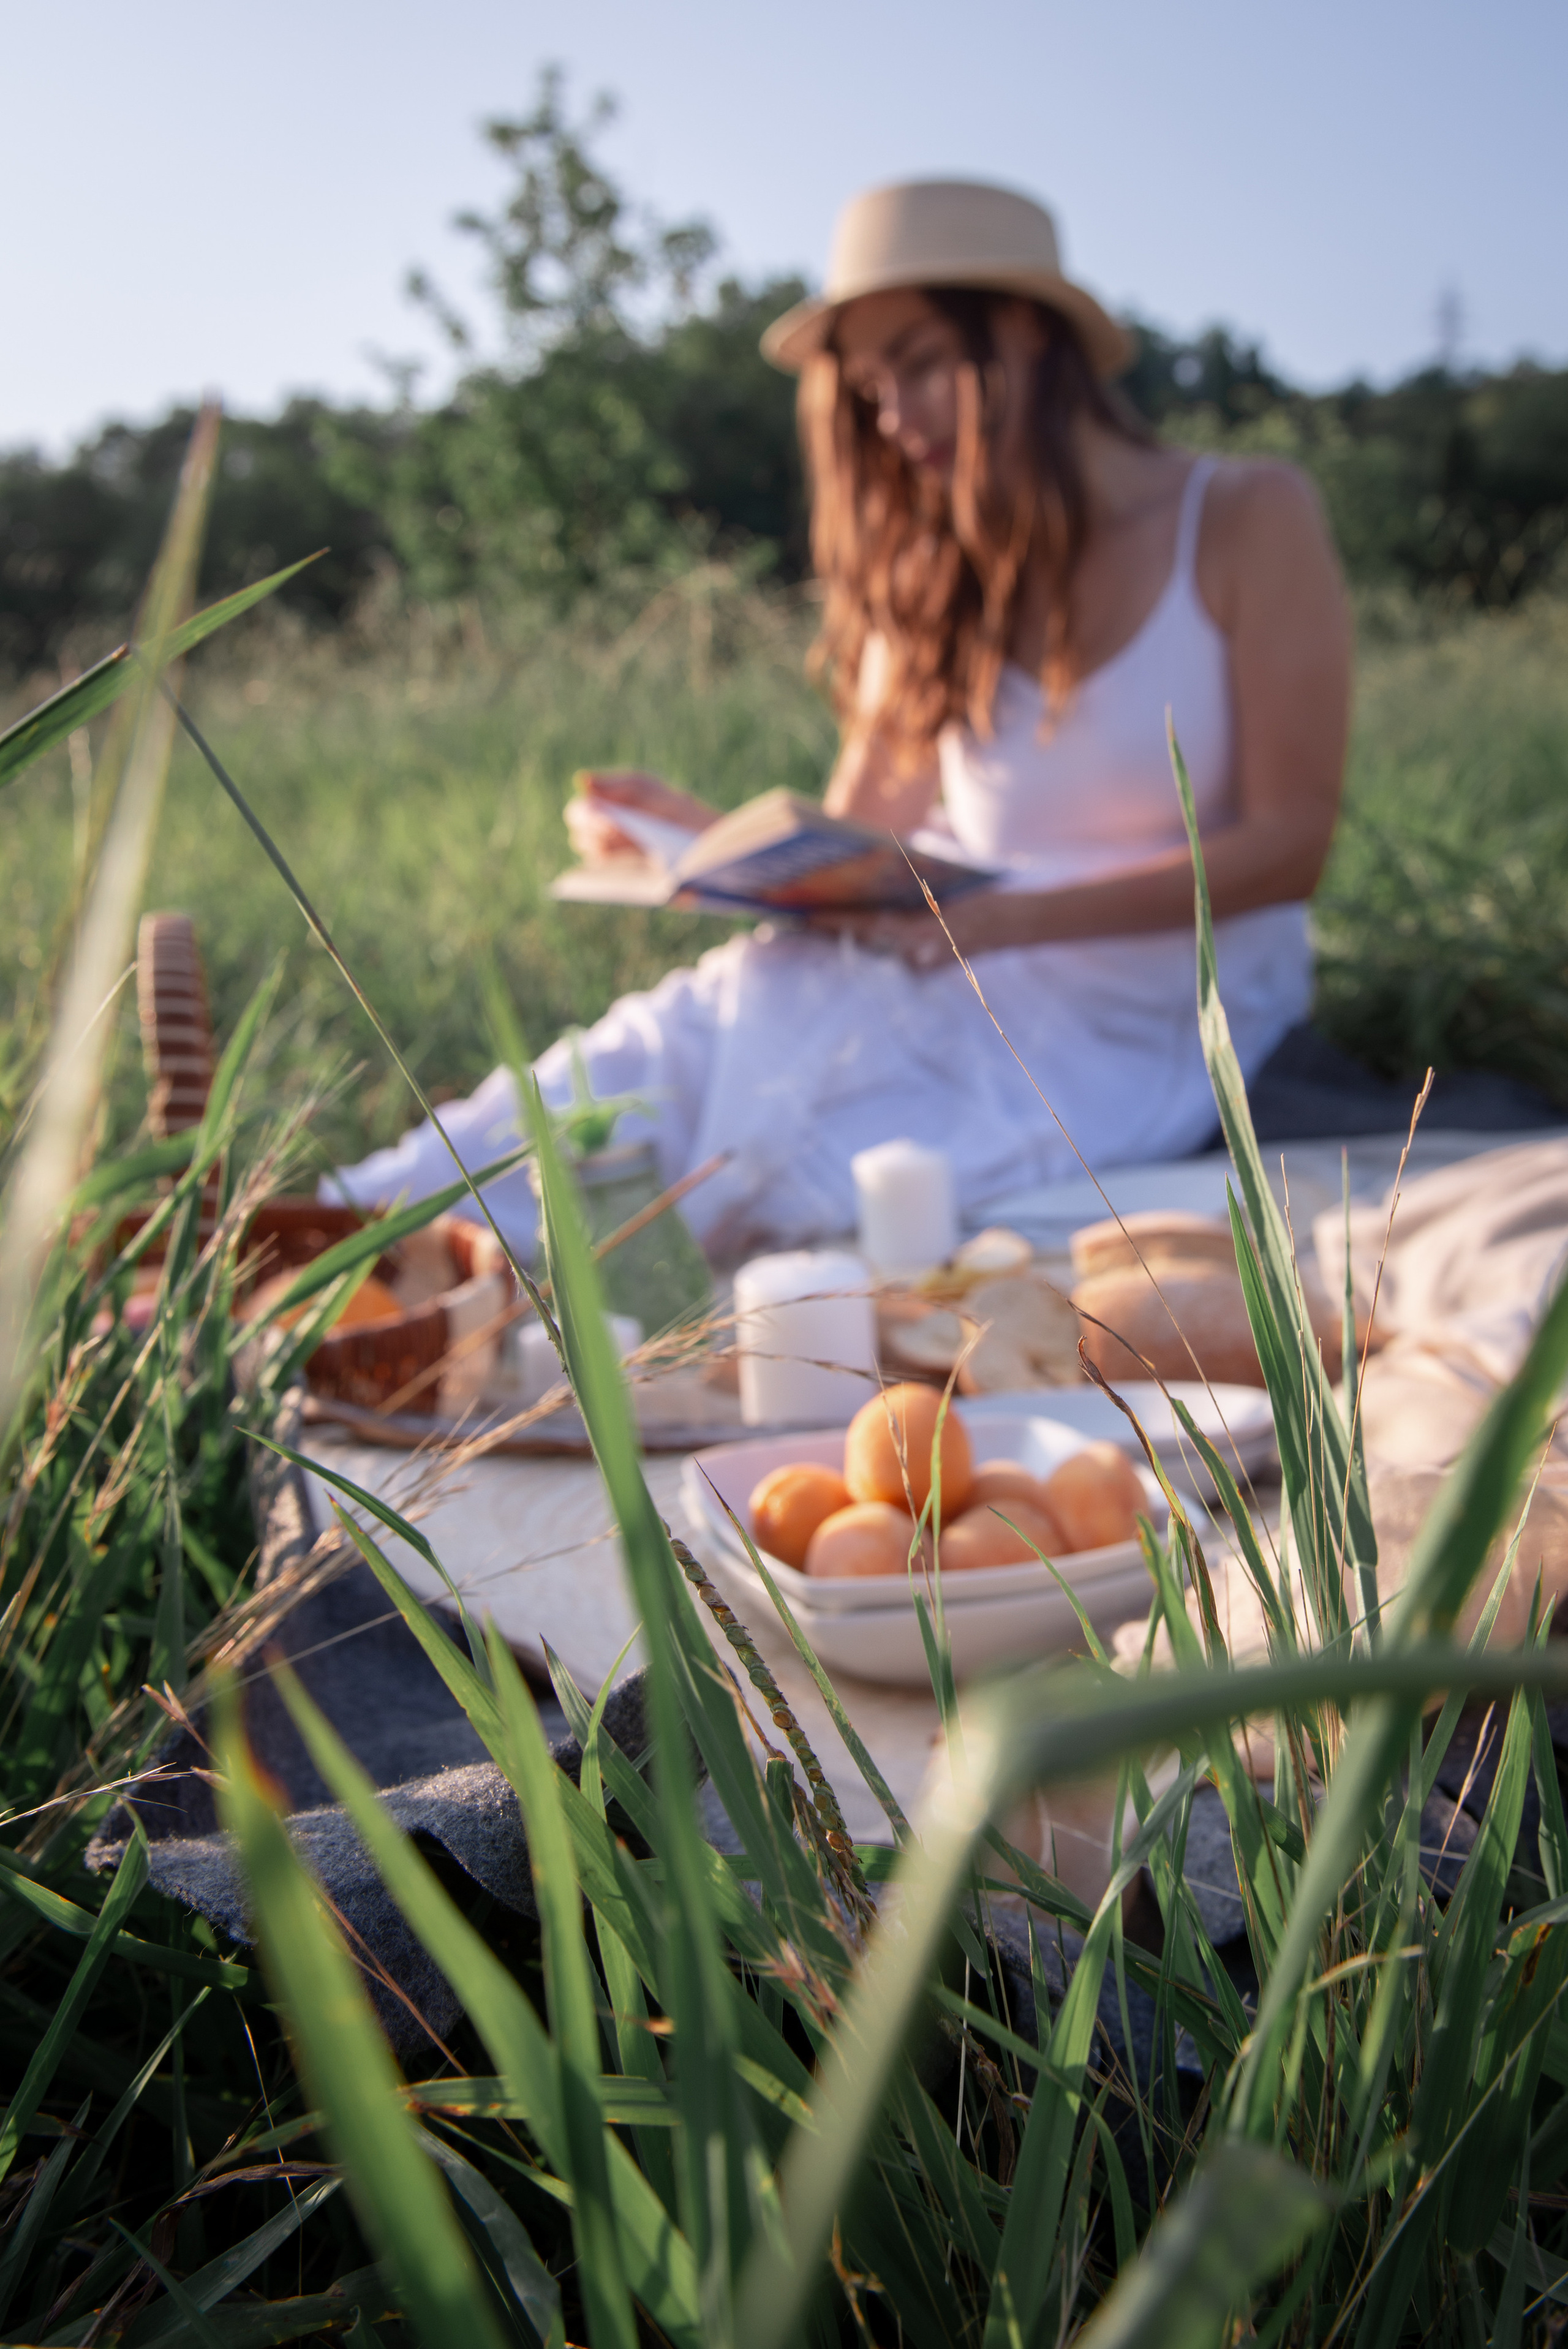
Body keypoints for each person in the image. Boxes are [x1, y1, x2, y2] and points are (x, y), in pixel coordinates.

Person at [333, 179, 1351, 1262]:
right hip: (952, 960)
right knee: (697, 1026)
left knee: (816, 1173)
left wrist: (994, 924)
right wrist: (694, 839)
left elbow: (1290, 850)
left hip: (1153, 1014)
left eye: (917, 364)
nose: (895, 418)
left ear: (1022, 336)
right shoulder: (933, 571)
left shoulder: (1244, 516)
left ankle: (523, 1285)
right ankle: (325, 1229)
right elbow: (854, 849)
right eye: (870, 387)